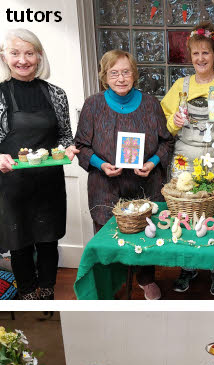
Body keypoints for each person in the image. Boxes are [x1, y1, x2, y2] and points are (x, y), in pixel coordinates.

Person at [0, 29, 79, 300]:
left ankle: (47, 290)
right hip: (10, 183)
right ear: (4, 56)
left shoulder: (56, 94)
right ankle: (27, 291)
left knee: (48, 239)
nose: (22, 60)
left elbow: (64, 135)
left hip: (47, 181)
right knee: (19, 244)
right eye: (15, 53)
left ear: (39, 56)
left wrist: (69, 148)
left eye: (29, 53)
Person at [74, 50, 174, 300]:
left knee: (147, 232)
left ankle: (146, 279)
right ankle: (108, 283)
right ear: (104, 76)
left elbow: (166, 143)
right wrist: (100, 164)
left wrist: (152, 163)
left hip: (145, 184)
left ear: (134, 74)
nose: (121, 78)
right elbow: (81, 146)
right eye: (114, 73)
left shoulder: (151, 104)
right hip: (105, 184)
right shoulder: (93, 104)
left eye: (126, 72)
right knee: (107, 238)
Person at [159, 22, 214, 296]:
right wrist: (173, 120)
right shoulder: (180, 87)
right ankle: (188, 265)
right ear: (190, 56)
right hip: (185, 158)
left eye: (205, 53)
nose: (200, 59)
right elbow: (163, 125)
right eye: (195, 54)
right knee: (184, 212)